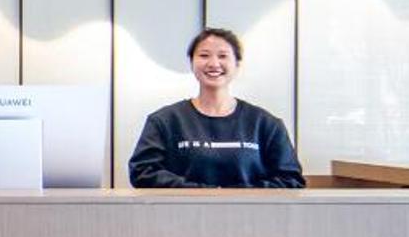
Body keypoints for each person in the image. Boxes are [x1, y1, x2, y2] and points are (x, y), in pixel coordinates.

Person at [128, 27, 305, 188]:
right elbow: (143, 172)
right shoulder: (164, 121)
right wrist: (202, 194)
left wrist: (237, 197)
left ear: (237, 64)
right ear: (192, 63)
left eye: (222, 56)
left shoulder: (266, 123)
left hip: (250, 213)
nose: (213, 63)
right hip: (184, 212)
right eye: (204, 55)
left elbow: (291, 180)